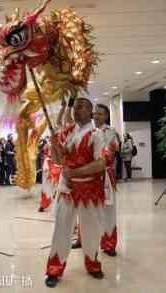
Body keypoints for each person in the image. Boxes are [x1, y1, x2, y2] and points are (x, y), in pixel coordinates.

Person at [45, 97, 106, 287]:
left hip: (89, 189)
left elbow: (101, 163)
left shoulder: (97, 134)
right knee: (61, 229)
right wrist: (53, 144)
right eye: (74, 107)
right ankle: (54, 269)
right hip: (67, 188)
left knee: (90, 230)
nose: (75, 110)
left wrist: (75, 172)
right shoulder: (69, 131)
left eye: (80, 107)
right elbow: (58, 159)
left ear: (90, 111)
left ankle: (92, 264)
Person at [94, 104, 119, 256]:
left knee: (109, 210)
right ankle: (82, 239)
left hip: (105, 176)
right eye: (94, 113)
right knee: (85, 209)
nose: (96, 115)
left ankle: (109, 244)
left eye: (99, 113)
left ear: (106, 116)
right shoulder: (86, 130)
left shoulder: (111, 132)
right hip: (87, 176)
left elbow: (112, 151)